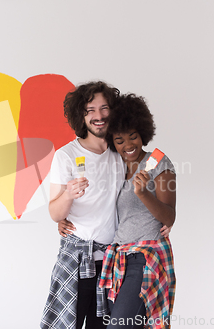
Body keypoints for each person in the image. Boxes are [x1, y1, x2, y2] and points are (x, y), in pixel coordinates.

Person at [59, 94, 176, 329]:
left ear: (144, 133)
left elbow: (169, 216)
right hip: (116, 259)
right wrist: (63, 217)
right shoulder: (116, 164)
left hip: (146, 258)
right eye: (120, 140)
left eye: (133, 137)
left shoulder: (157, 162)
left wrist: (144, 193)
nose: (128, 145)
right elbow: (98, 201)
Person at [40, 81, 124, 329]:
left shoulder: (121, 153)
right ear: (81, 115)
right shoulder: (65, 155)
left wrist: (163, 222)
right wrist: (68, 195)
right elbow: (55, 214)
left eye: (104, 108)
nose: (98, 116)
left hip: (112, 263)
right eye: (90, 110)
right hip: (76, 261)